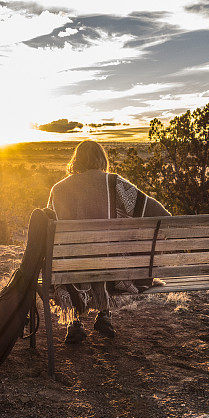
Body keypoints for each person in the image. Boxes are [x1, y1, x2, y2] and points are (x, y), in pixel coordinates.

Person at [46, 140, 170, 344]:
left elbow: (49, 232)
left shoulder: (58, 189)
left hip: (70, 272)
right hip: (111, 272)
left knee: (75, 257)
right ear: (101, 159)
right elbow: (155, 211)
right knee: (109, 254)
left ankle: (74, 323)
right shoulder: (114, 183)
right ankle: (104, 316)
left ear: (75, 161)